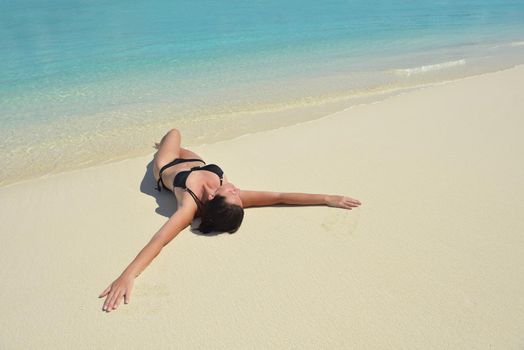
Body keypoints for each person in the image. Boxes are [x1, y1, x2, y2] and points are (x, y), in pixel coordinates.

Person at [99, 128, 361, 312]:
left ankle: (164, 149)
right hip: (196, 162)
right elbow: (280, 195)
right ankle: (169, 147)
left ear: (214, 197)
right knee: (180, 146)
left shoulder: (188, 206)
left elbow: (159, 241)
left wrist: (128, 275)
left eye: (233, 193)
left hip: (167, 167)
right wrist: (328, 197)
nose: (237, 190)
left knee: (174, 133)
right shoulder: (226, 197)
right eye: (236, 193)